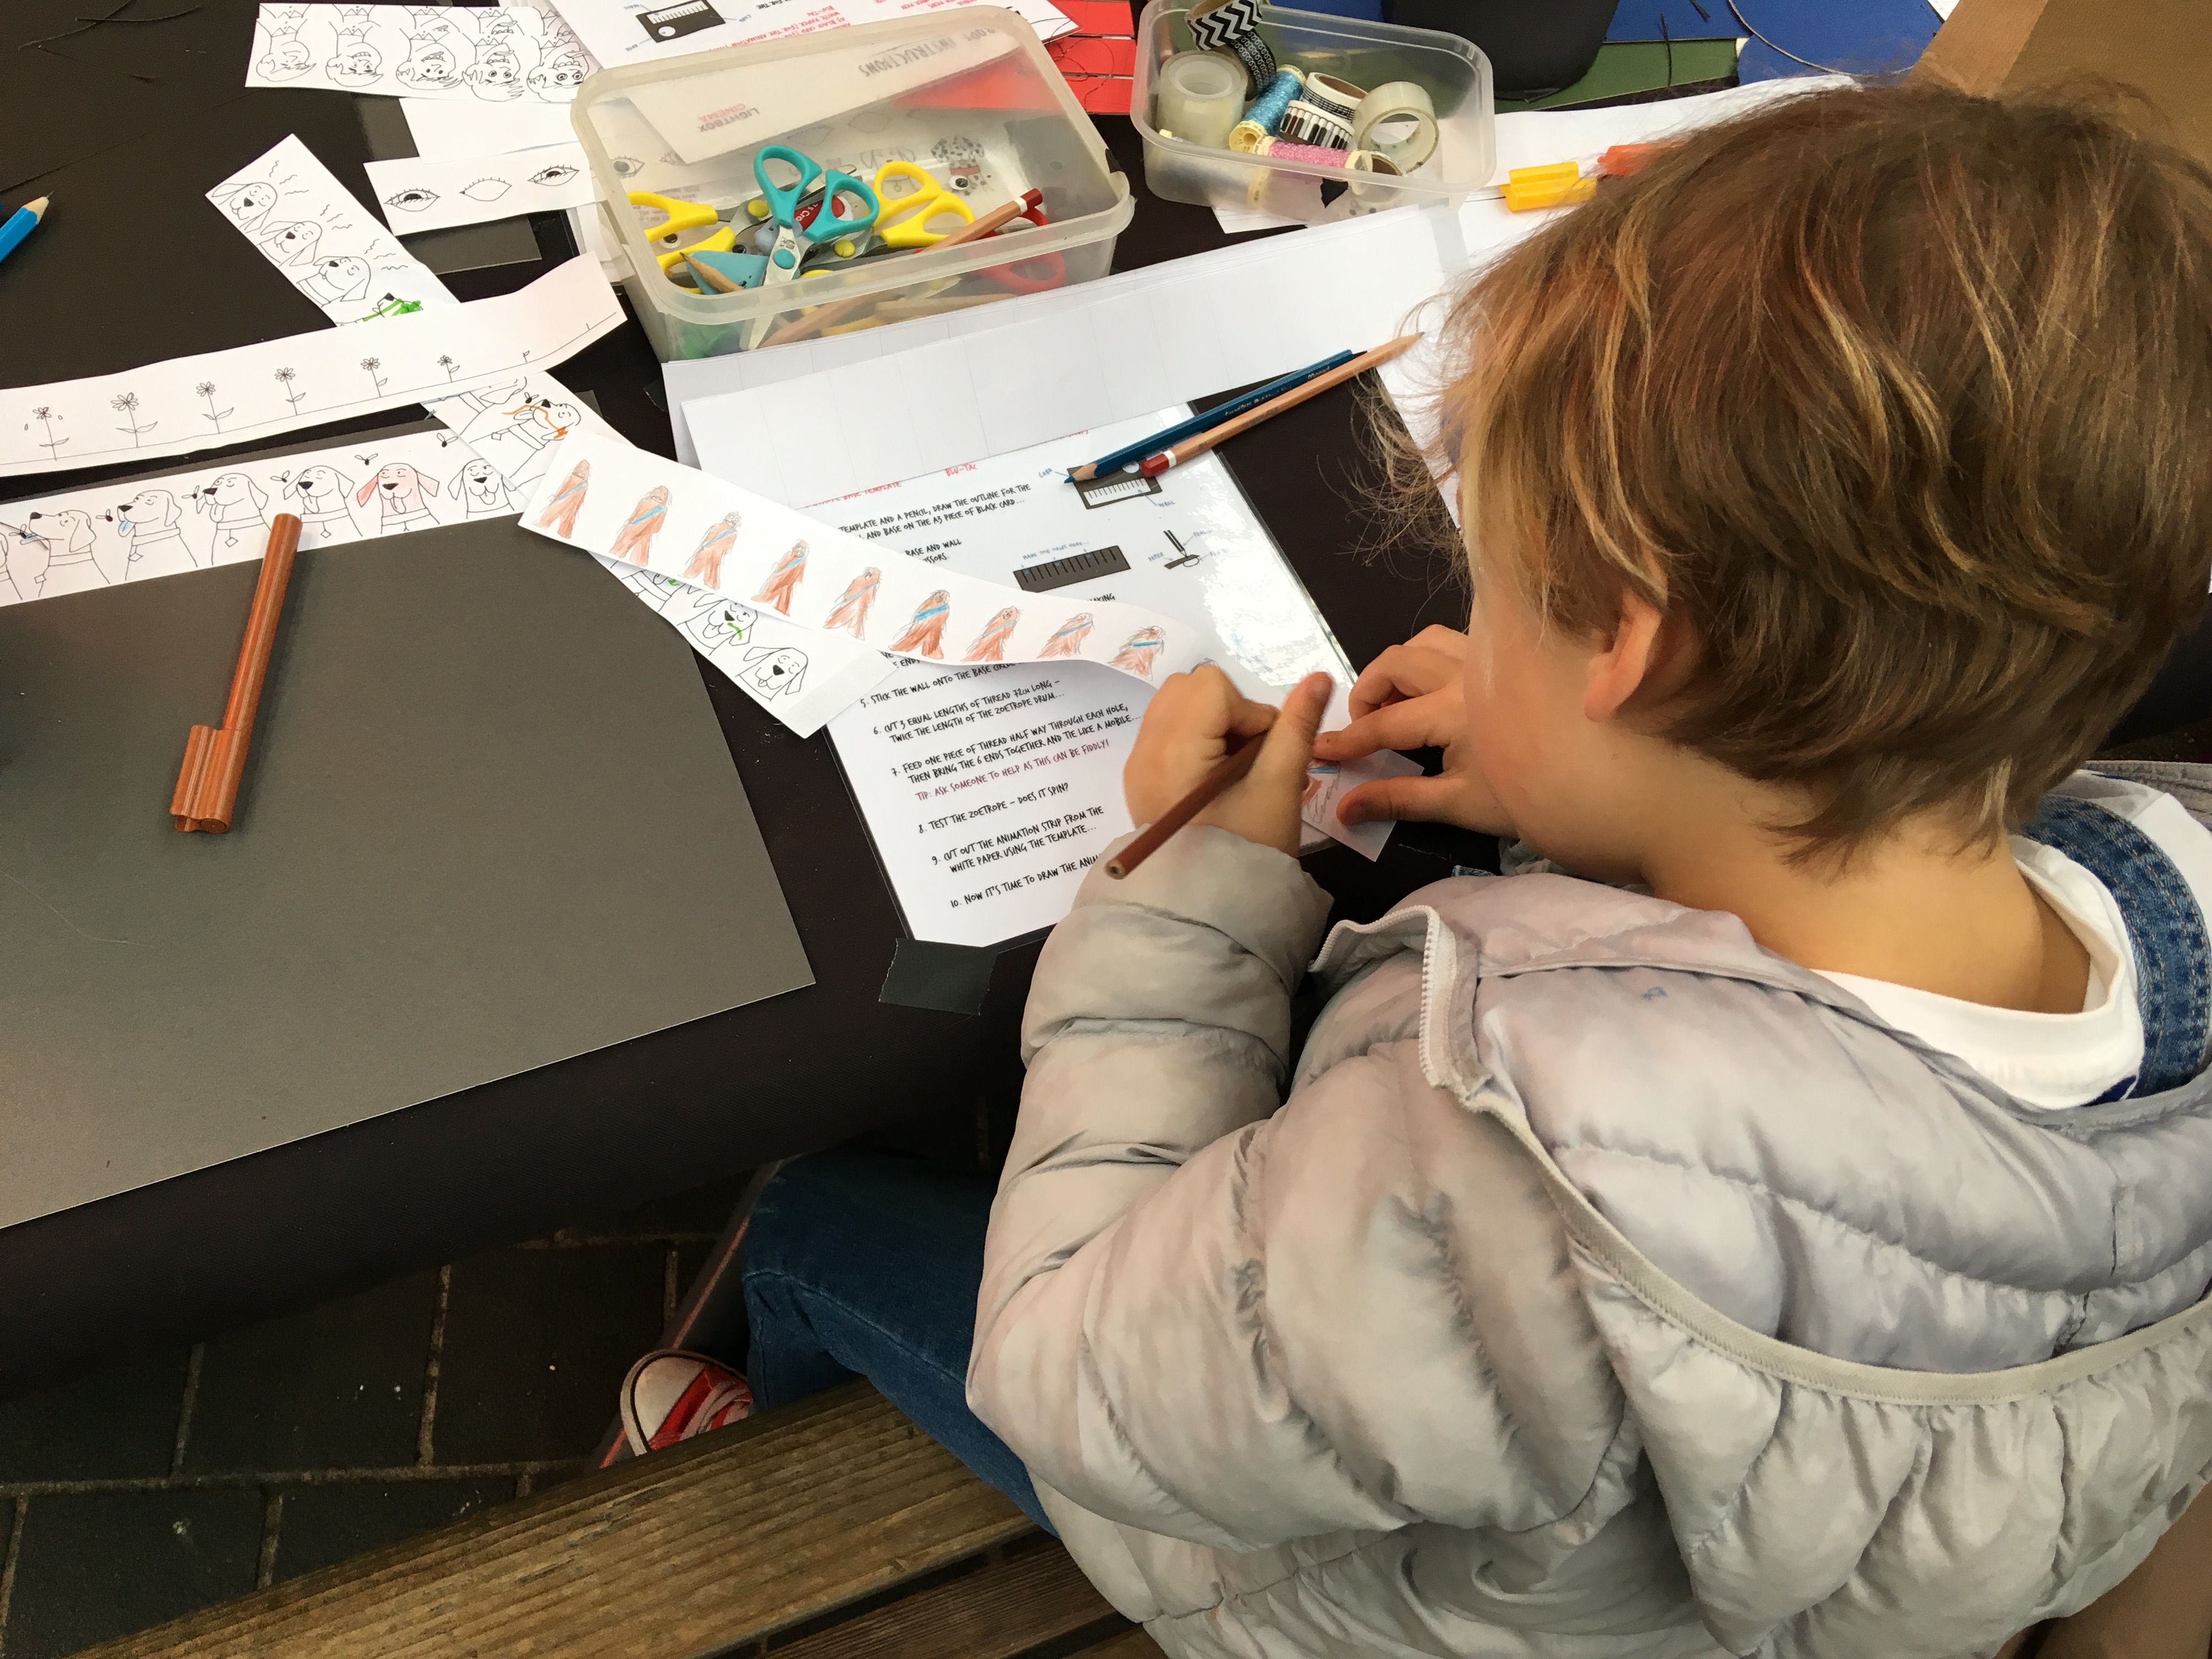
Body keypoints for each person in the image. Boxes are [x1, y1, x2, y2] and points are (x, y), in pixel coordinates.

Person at [620, 81, 2212, 1657]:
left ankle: (737, 1484)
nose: (1478, 614)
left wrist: (1186, 913)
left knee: (815, 1216)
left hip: (1319, 1585)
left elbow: (1062, 1372)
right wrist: (1592, 770)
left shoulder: (1505, 1173)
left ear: (1635, 654)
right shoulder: (2166, 908)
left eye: (1500, 584)